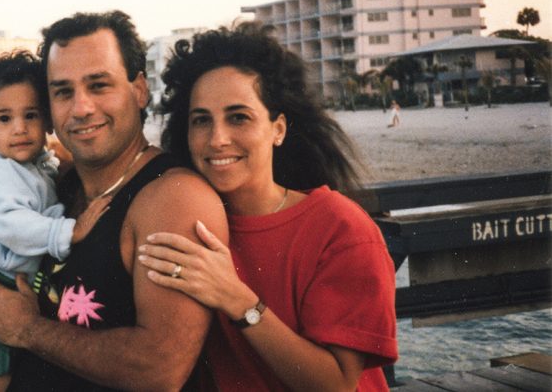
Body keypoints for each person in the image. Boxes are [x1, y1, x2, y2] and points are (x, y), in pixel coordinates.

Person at [0, 11, 228, 391]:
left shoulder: (171, 198)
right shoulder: (59, 186)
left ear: (139, 90)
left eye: (99, 85)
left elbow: (159, 366)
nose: (81, 107)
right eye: (63, 92)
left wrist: (26, 329)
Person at [139, 21, 398, 391]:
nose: (217, 139)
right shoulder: (190, 220)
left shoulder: (340, 228)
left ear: (278, 129)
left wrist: (235, 298)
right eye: (201, 121)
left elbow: (337, 384)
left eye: (238, 117)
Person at [0, 50, 110, 392]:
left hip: (15, 273)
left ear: (47, 121)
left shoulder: (33, 164)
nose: (20, 129)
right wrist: (68, 230)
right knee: (2, 368)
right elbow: (13, 223)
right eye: (5, 119)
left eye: (31, 115)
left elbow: (42, 200)